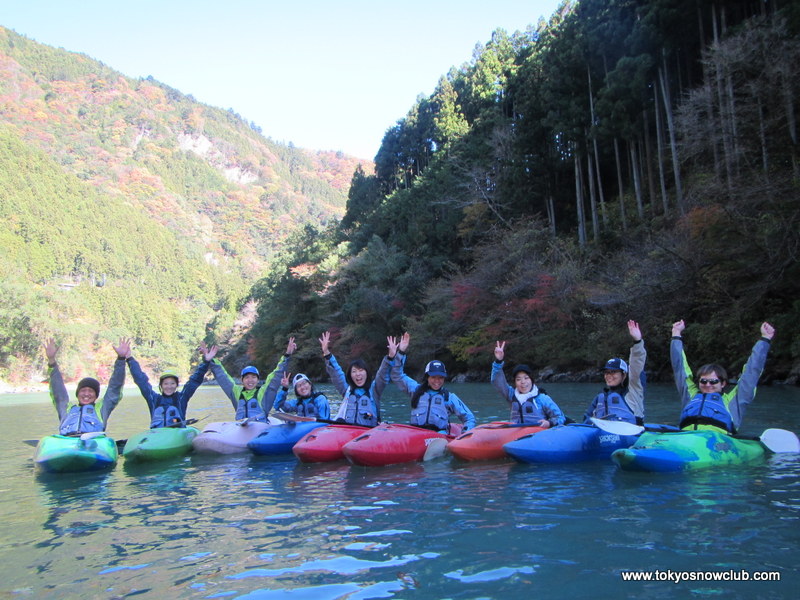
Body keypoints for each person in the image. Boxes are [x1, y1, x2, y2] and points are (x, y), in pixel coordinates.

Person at [671, 320, 775, 434]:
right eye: (703, 381)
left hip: (718, 443)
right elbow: (679, 367)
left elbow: (752, 372)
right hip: (685, 438)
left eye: (713, 382)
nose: (707, 385)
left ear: (723, 383)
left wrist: (765, 339)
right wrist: (676, 334)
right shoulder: (690, 394)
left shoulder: (734, 401)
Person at [389, 333, 476, 434]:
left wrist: (465, 435)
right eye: (433, 377)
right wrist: (401, 352)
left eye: (440, 378)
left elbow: (469, 418)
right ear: (427, 377)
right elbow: (397, 375)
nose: (437, 381)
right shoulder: (415, 389)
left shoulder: (449, 397)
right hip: (415, 435)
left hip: (439, 437)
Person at [43, 337, 130, 435]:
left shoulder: (101, 409)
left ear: (96, 395)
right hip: (67, 442)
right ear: (77, 394)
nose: (86, 394)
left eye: (91, 391)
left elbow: (115, 387)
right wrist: (51, 361)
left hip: (92, 444)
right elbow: (57, 390)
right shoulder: (67, 408)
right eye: (83, 390)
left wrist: (121, 359)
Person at [126, 343, 213, 428]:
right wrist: (129, 359)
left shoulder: (181, 398)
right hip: (158, 435)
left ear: (176, 385)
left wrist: (206, 362)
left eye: (172, 383)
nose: (169, 386)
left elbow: (194, 381)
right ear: (161, 385)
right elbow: (141, 381)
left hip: (176, 435)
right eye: (166, 384)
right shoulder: (153, 399)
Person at [208, 338, 295, 421]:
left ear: (257, 380)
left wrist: (287, 356)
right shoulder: (236, 392)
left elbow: (276, 375)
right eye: (247, 377)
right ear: (242, 380)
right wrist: (211, 360)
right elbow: (223, 377)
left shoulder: (263, 392)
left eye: (253, 377)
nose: (250, 380)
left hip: (259, 429)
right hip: (241, 429)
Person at [319, 331, 391, 427]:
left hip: (368, 435)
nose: (358, 374)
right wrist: (327, 353)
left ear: (367, 373)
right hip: (349, 434)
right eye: (354, 371)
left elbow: (383, 374)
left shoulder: (374, 390)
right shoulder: (347, 390)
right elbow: (336, 373)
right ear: (350, 375)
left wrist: (390, 358)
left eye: (361, 370)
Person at [583, 320, 646, 425]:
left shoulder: (633, 391)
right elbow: (586, 420)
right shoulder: (600, 398)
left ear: (624, 374)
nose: (609, 376)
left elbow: (637, 365)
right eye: (607, 373)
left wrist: (637, 342)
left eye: (613, 372)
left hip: (631, 434)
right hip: (604, 435)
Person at [491, 341, 565, 427]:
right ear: (515, 382)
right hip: (516, 434)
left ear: (532, 380)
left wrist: (549, 423)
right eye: (518, 379)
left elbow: (560, 417)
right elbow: (496, 381)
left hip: (538, 433)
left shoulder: (542, 398)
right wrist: (498, 361)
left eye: (526, 378)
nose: (523, 382)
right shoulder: (511, 395)